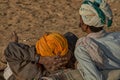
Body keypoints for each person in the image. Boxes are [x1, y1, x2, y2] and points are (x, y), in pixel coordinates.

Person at [74, 0, 120, 80]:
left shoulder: (83, 48)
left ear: (85, 25)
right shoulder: (117, 36)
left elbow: (94, 78)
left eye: (81, 21)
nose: (79, 24)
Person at [4, 31, 78, 80]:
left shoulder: (62, 55)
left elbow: (71, 37)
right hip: (13, 70)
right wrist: (41, 59)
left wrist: (70, 53)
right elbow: (11, 49)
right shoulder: (30, 70)